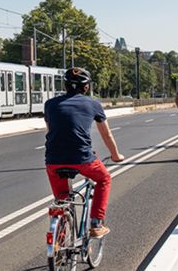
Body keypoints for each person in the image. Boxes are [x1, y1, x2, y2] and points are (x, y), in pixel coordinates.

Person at [44, 67, 127, 238]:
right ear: (86, 87)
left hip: (53, 160)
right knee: (104, 179)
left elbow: (52, 129)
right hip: (83, 158)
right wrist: (116, 155)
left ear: (65, 85)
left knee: (62, 200)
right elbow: (106, 133)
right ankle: (96, 223)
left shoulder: (50, 104)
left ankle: (59, 242)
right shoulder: (93, 104)